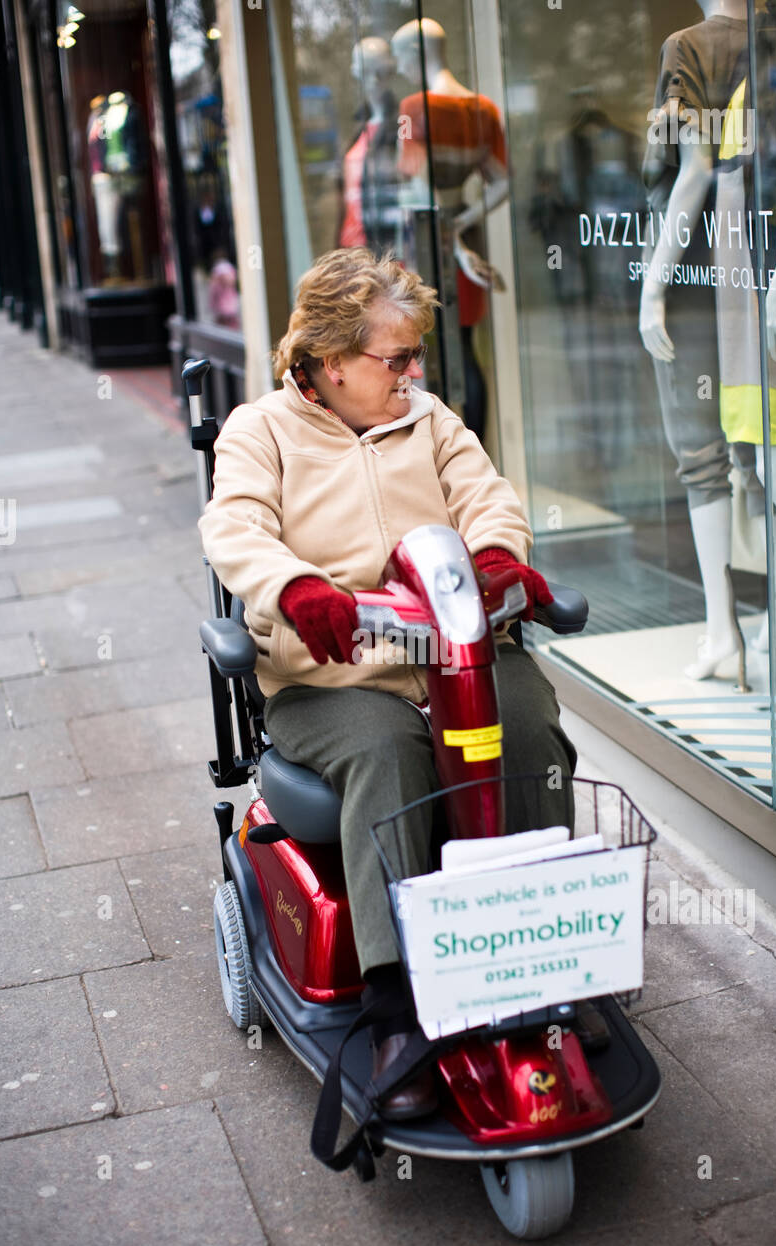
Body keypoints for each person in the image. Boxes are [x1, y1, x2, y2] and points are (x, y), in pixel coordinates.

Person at [198, 248, 589, 1120]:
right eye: (396, 358)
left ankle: (549, 968)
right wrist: (296, 589)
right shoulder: (259, 431)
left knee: (529, 733)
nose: (413, 374)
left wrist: (494, 558)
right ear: (331, 360)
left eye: (417, 357)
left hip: (458, 657)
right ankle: (393, 1008)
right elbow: (233, 526)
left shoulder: (430, 419)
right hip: (331, 679)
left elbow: (488, 496)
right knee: (388, 755)